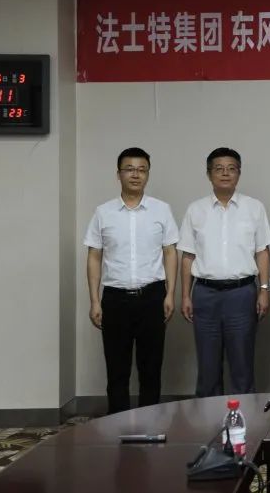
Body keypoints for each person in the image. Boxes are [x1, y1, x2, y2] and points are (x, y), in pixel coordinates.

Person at [84, 147, 178, 414]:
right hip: (115, 298)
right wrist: (95, 300)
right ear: (118, 174)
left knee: (151, 368)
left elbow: (170, 252)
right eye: (129, 169)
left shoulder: (161, 210)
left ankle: (151, 424)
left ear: (147, 174)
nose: (135, 175)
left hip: (152, 296)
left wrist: (170, 293)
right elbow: (94, 256)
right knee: (117, 370)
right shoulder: (103, 212)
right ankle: (117, 424)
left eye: (141, 170)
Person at [178, 147, 270, 396]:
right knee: (208, 366)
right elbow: (187, 256)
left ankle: (245, 417)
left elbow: (262, 251)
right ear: (209, 174)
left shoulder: (254, 208)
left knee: (242, 363)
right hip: (205, 294)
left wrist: (264, 290)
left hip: (242, 294)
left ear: (239, 173)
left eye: (231, 168)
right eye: (219, 169)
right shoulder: (195, 210)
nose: (225, 173)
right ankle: (208, 417)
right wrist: (185, 295)